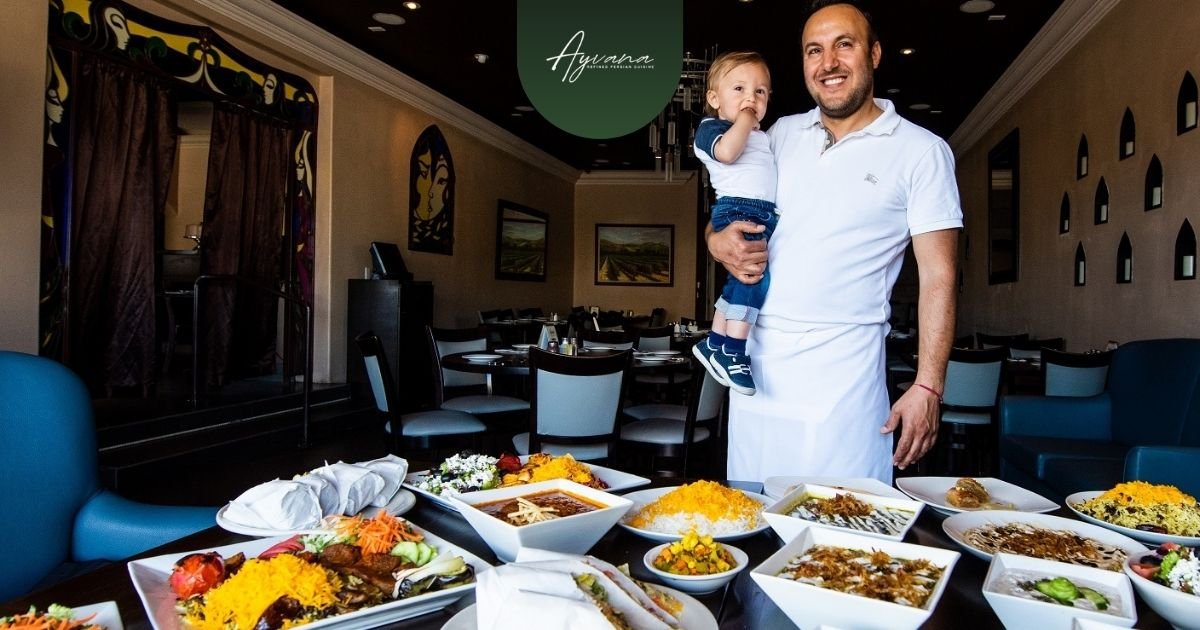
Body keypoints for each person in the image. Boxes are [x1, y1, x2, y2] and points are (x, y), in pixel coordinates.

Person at [706, 0, 962, 484]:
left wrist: (928, 386)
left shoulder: (922, 151)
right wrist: (717, 241)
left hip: (845, 381)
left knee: (846, 539)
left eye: (844, 45)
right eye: (814, 51)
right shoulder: (777, 133)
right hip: (758, 373)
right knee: (753, 527)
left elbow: (940, 274)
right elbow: (728, 210)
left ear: (875, 54)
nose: (828, 63)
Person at [690, 51, 777, 397]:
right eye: (739, 88)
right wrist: (744, 119)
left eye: (760, 92)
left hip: (761, 211)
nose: (750, 99)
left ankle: (715, 342)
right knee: (754, 276)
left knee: (738, 280)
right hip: (736, 209)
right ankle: (734, 351)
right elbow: (727, 153)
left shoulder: (765, 136)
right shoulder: (711, 128)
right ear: (714, 99)